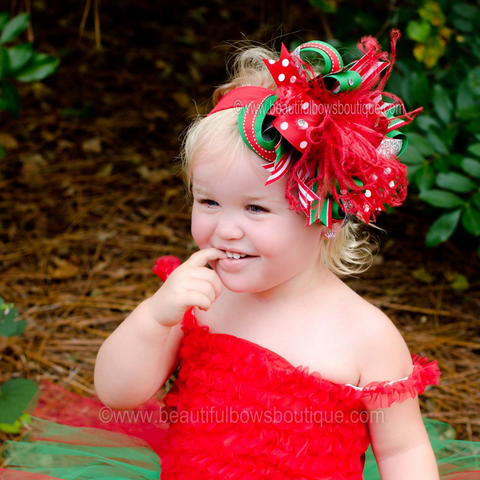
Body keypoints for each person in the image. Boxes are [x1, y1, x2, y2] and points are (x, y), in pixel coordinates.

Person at [1, 30, 480, 480]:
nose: (225, 228)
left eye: (255, 207)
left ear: (327, 214)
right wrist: (154, 318)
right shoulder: (196, 300)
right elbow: (116, 393)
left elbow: (402, 450)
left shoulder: (366, 336)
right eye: (208, 201)